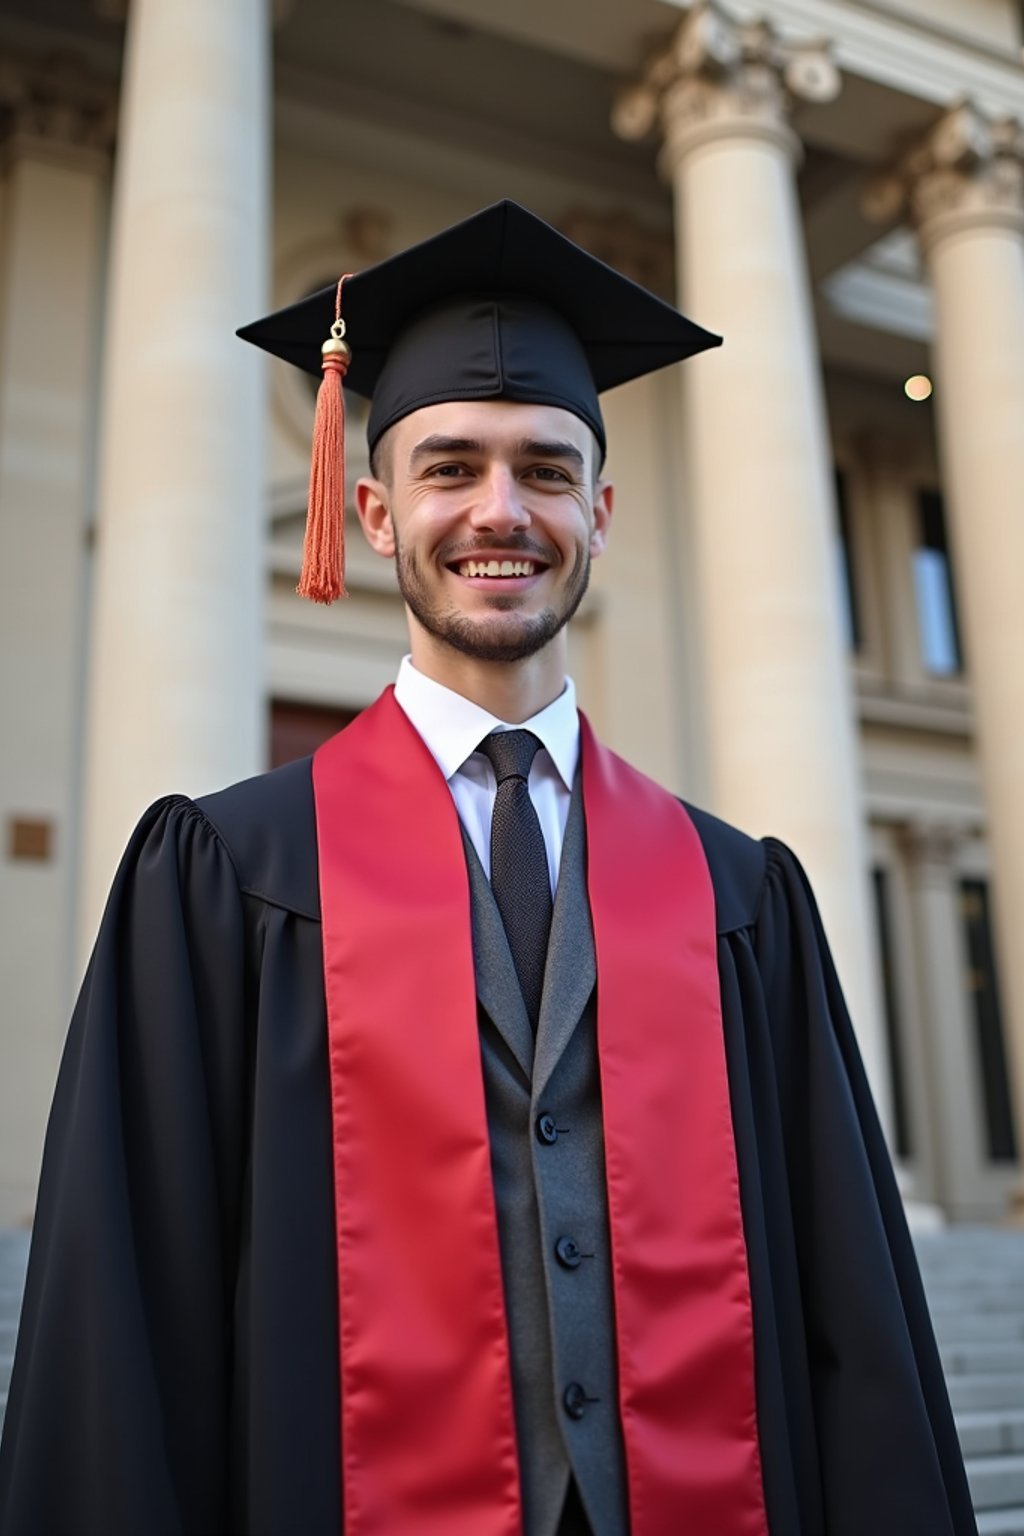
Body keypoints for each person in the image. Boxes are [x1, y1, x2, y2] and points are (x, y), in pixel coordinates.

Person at [0, 201, 976, 1536]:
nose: (500, 512)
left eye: (547, 471)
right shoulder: (224, 878)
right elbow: (131, 1317)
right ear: (375, 509)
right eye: (450, 467)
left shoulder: (739, 895)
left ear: (604, 511)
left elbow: (854, 1318)